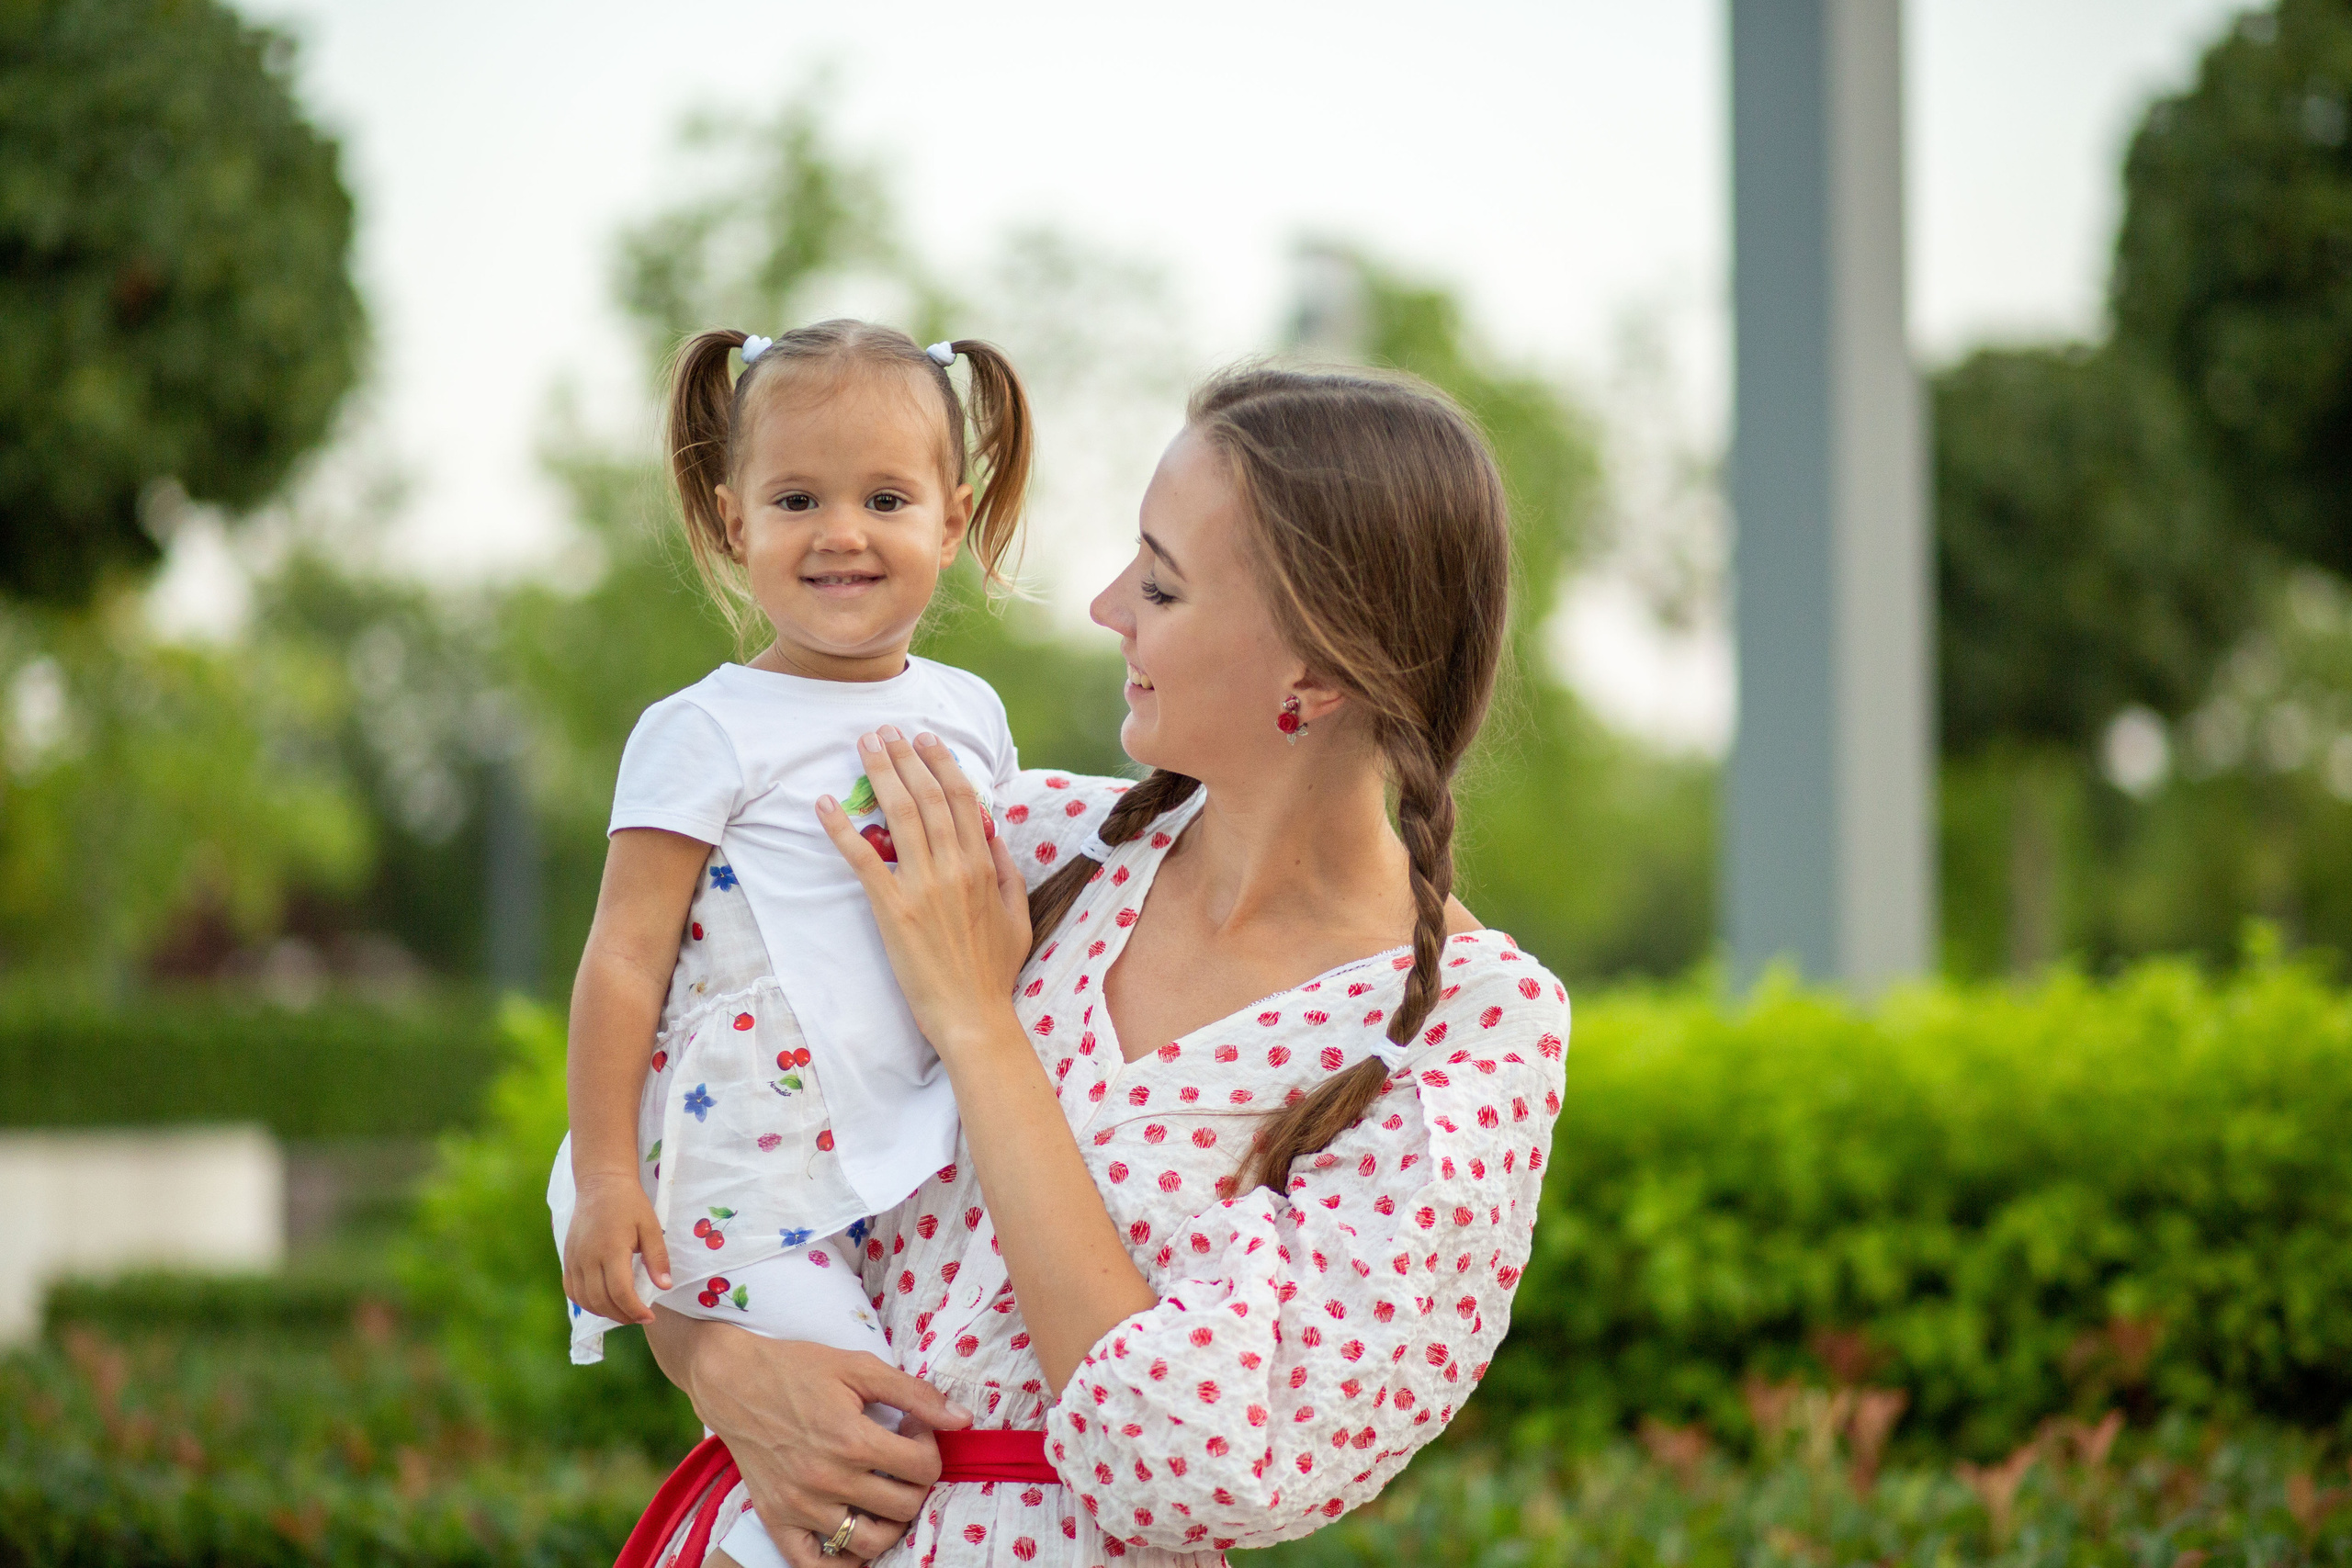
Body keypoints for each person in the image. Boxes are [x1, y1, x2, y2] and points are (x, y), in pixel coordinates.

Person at [617, 364, 1572, 1568]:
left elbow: (1200, 1459)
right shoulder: (1015, 843)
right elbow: (683, 1110)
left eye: (1162, 584)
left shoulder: (1472, 1032)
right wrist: (722, 1363)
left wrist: (979, 1025)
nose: (1106, 606)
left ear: (1315, 675)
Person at [549, 319, 1035, 1568]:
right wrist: (605, 1180)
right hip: (748, 1177)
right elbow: (621, 959)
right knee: (858, 1448)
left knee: (926, 1435)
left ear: (954, 515)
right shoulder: (708, 729)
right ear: (730, 521)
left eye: (886, 497)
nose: (841, 531)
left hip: (905, 1164)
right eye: (797, 497)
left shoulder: (969, 715)